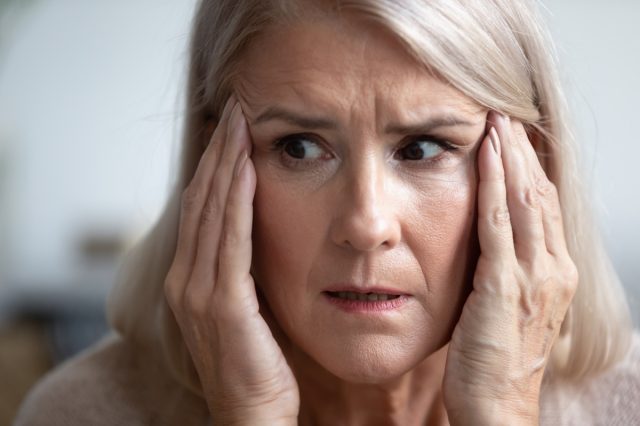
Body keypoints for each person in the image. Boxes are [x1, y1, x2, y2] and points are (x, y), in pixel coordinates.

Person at [15, 0, 639, 425]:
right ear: (212, 162)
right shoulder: (84, 413)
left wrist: (500, 411)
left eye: (423, 148)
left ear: (531, 169)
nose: (367, 224)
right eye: (299, 147)